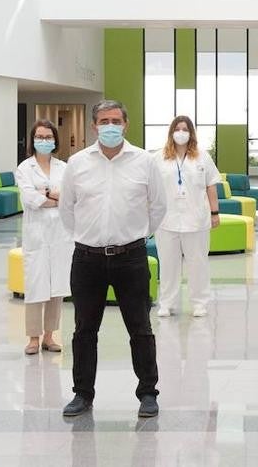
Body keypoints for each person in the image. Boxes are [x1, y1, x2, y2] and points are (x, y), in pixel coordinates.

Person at [58, 99, 167, 418]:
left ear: (125, 124)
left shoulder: (144, 161)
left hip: (131, 257)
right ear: (94, 126)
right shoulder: (77, 163)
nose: (110, 127)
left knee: (140, 328)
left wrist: (138, 235)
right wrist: (87, 236)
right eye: (104, 121)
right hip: (87, 258)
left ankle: (148, 392)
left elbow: (158, 206)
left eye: (116, 121)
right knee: (84, 330)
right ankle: (82, 394)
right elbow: (67, 209)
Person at [15, 119, 74, 355]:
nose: (44, 140)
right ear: (33, 140)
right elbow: (30, 199)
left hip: (60, 234)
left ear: (55, 140)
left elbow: (69, 197)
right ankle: (33, 338)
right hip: (37, 235)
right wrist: (53, 197)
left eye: (48, 137)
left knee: (56, 287)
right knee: (35, 285)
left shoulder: (64, 167)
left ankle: (49, 337)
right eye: (39, 137)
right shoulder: (24, 168)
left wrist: (46, 195)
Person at [153, 116, 220, 319]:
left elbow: (211, 185)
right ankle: (167, 303)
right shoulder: (158, 157)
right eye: (177, 128)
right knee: (168, 264)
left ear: (191, 133)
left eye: (185, 129)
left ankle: (199, 303)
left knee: (198, 263)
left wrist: (215, 213)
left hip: (196, 219)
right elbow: (151, 187)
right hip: (166, 220)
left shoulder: (202, 156)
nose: (181, 132)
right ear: (171, 132)